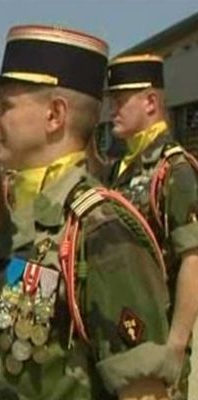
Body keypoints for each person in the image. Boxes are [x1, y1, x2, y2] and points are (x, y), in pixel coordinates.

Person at [0, 24, 177, 400]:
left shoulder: (101, 229)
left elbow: (144, 390)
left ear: (55, 115)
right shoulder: (39, 208)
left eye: (6, 105)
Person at [104, 54, 198, 399]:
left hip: (157, 341)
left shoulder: (174, 170)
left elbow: (194, 258)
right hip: (123, 338)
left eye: (120, 100)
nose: (112, 109)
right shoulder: (121, 169)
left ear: (150, 102)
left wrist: (176, 345)